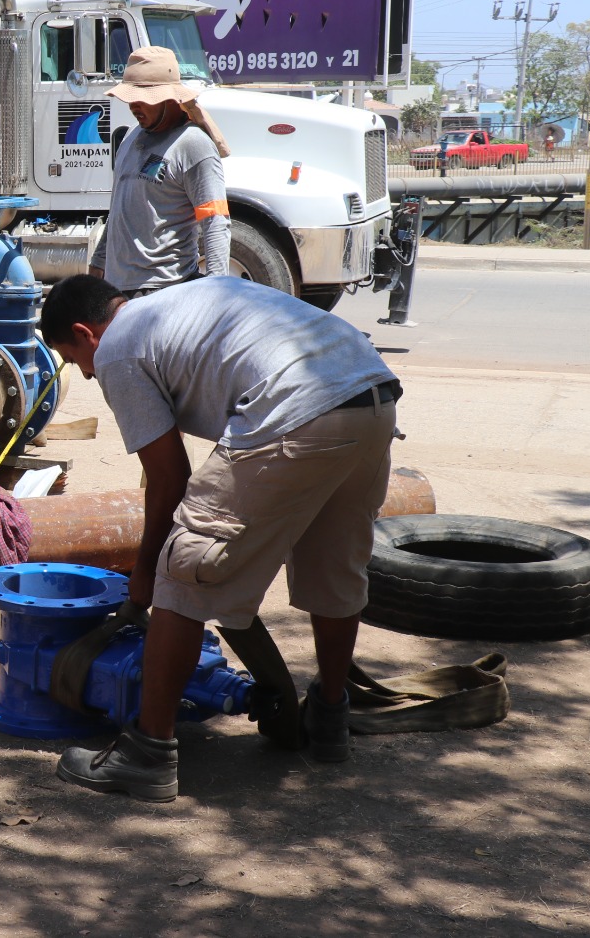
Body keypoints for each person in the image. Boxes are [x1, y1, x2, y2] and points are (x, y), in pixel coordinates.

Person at [38, 274, 401, 802]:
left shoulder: (117, 349)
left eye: (75, 361)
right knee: (335, 568)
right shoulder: (178, 303)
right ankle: (329, 717)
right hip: (371, 395)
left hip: (298, 408)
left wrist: (145, 572)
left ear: (85, 333)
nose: (88, 376)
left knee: (184, 569)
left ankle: (147, 754)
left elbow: (168, 480)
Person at [89, 46, 232, 298]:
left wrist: (216, 290)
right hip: (118, 289)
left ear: (169, 98)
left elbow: (215, 220)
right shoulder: (131, 137)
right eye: (130, 98)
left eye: (143, 99)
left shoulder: (193, 145)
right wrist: (98, 265)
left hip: (164, 290)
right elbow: (119, 210)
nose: (134, 106)